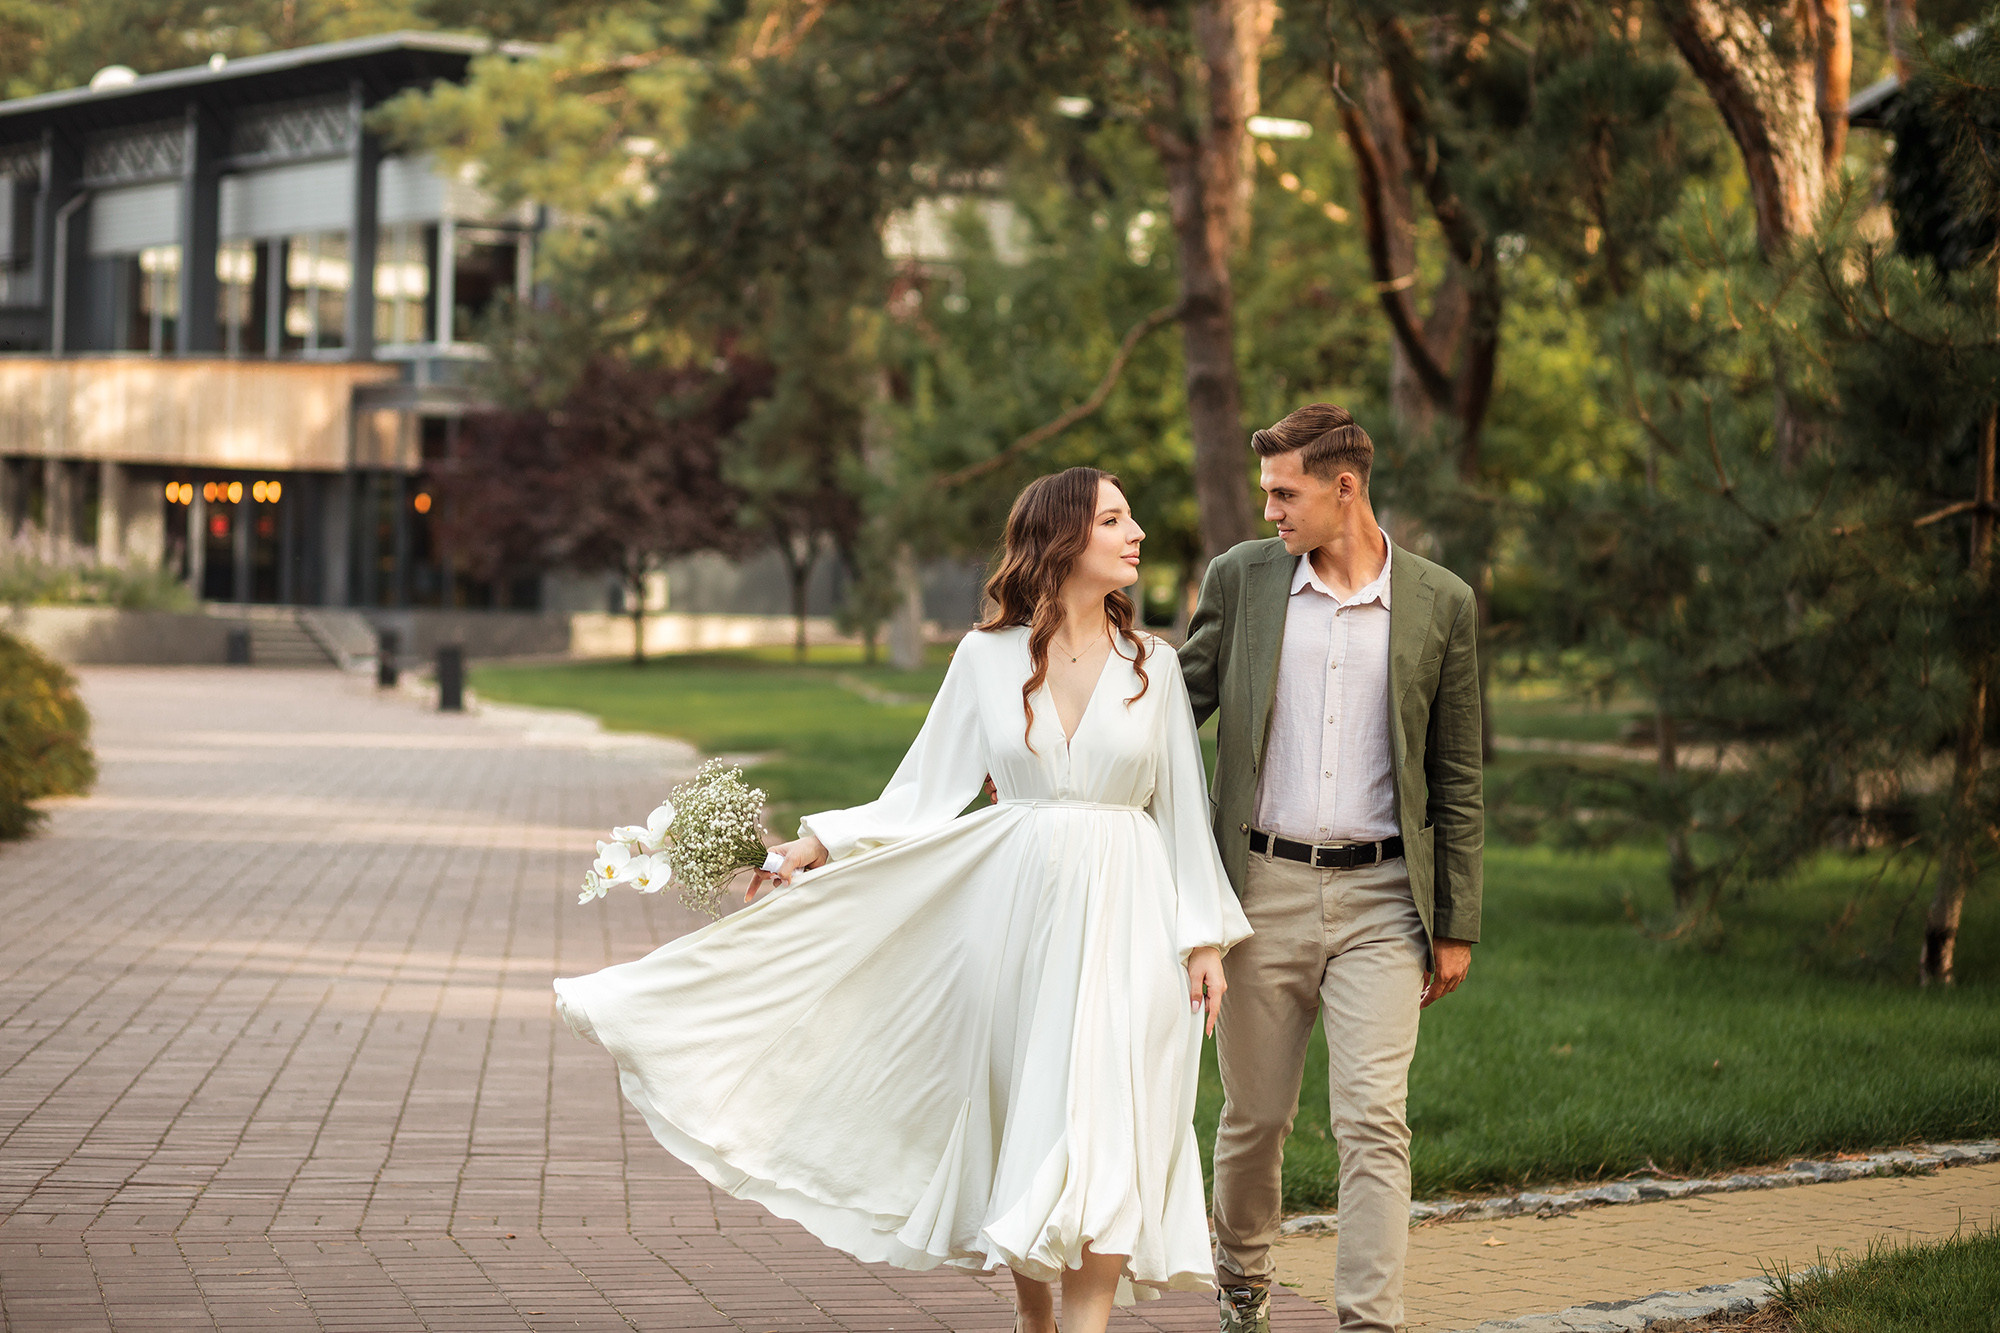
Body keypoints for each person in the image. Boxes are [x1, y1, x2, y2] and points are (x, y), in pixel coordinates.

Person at [554, 466, 1251, 1333]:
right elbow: (922, 790)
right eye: (1115, 518)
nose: (1137, 530)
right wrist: (815, 845)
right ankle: (1036, 1322)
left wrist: (1205, 938)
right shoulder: (985, 659)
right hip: (1013, 915)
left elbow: (1185, 807)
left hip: (1132, 918)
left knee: (1110, 1121)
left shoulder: (1153, 666)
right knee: (1023, 1121)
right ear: (1065, 538)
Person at [1179, 404, 1484, 1333]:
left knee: (1372, 1121)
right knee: (1256, 1117)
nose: (1268, 508)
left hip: (1387, 899)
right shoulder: (1242, 580)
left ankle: (1369, 1321)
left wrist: (1457, 920)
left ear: (1342, 487)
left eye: (1284, 491)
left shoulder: (1441, 601)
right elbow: (1164, 709)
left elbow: (1457, 769)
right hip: (1260, 889)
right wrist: (1041, 730)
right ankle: (1241, 1278)